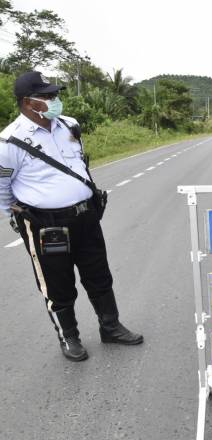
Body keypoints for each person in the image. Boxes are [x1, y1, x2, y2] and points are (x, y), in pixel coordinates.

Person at [0, 71, 143, 362]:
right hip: (46, 224)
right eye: (48, 97)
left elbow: (79, 164)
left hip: (86, 217)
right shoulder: (10, 143)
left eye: (55, 95)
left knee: (99, 275)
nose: (56, 100)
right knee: (57, 283)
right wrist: (18, 214)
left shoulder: (70, 125)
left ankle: (110, 326)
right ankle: (70, 337)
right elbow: (2, 188)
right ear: (28, 102)